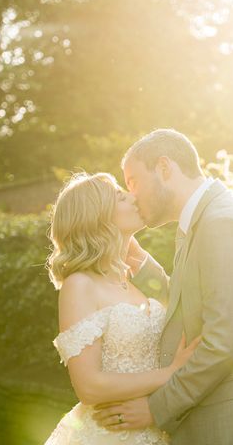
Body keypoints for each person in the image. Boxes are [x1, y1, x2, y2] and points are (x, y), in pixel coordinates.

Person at [92, 129, 233, 444]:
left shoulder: (223, 224)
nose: (132, 195)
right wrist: (143, 266)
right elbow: (194, 307)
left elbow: (222, 344)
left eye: (133, 181)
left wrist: (156, 408)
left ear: (165, 168)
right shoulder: (204, 219)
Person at [44, 172, 199, 445]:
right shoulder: (79, 285)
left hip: (155, 429)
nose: (133, 196)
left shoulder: (131, 279)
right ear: (97, 216)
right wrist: (171, 373)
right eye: (120, 195)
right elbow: (88, 387)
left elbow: (181, 307)